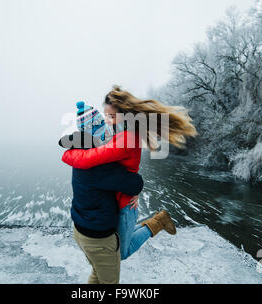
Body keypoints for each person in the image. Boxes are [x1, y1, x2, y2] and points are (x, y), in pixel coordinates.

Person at [62, 86, 199, 261]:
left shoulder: (126, 139)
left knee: (122, 253)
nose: (108, 121)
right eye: (106, 117)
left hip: (125, 204)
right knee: (118, 241)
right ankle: (154, 221)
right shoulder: (124, 133)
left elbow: (89, 159)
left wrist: (68, 153)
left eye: (111, 116)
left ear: (123, 113)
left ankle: (158, 222)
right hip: (120, 197)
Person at [59, 120, 144, 284]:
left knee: (97, 273)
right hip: (99, 238)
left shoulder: (80, 154)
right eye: (104, 132)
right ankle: (156, 223)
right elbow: (135, 184)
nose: (108, 136)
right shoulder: (100, 167)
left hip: (80, 229)